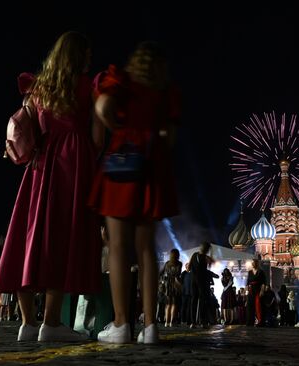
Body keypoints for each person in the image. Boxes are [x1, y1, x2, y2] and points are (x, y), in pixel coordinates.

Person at [0, 31, 101, 342]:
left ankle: (28, 323)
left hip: (40, 167)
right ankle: (51, 323)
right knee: (62, 238)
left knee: (30, 238)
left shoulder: (37, 88)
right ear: (79, 57)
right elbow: (96, 138)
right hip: (73, 165)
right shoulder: (86, 88)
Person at [92, 41, 181, 344]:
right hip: (151, 167)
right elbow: (170, 138)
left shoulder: (122, 82)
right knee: (146, 250)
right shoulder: (164, 92)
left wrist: (118, 127)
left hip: (122, 163)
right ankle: (152, 326)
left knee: (117, 247)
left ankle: (120, 324)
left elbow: (102, 105)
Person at [189, 242, 214, 328]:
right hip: (202, 282)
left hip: (194, 281)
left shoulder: (194, 255)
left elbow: (188, 267)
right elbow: (211, 263)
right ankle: (203, 322)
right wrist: (212, 252)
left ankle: (193, 323)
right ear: (207, 250)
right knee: (203, 301)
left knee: (194, 301)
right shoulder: (206, 257)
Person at [160, 249, 182, 327]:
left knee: (168, 304)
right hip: (174, 284)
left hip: (167, 284)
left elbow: (161, 272)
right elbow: (178, 274)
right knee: (174, 304)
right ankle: (172, 322)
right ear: (178, 255)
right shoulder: (179, 263)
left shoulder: (167, 263)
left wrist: (161, 281)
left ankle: (166, 322)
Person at [246, 259, 266, 326]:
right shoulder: (249, 272)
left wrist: (262, 291)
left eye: (254, 263)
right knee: (250, 306)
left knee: (258, 306)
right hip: (251, 290)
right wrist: (247, 291)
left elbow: (263, 283)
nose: (253, 264)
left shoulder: (261, 272)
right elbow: (247, 283)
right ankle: (250, 321)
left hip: (258, 290)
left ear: (257, 264)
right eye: (252, 263)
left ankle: (260, 321)